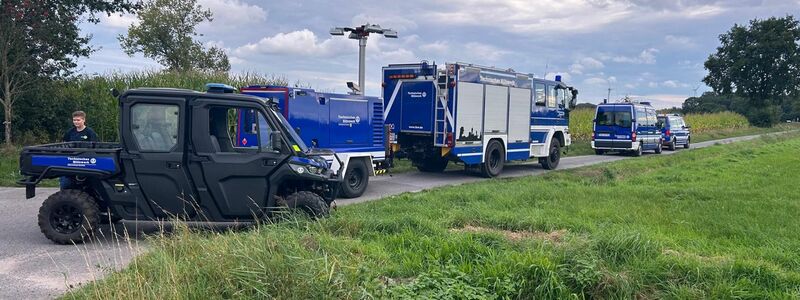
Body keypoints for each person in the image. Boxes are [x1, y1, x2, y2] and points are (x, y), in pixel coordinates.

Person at [60, 111, 98, 189]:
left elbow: (95, 146)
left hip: (84, 161)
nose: (76, 122)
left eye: (78, 120)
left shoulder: (90, 132)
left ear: (84, 120)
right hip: (71, 161)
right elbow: (64, 144)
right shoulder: (70, 132)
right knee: (65, 184)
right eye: (74, 120)